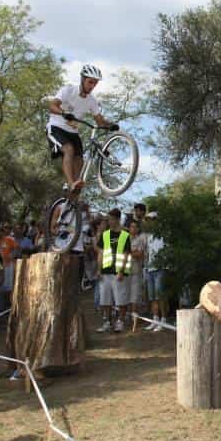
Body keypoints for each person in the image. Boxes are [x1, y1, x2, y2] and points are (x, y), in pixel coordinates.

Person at [46, 64, 118, 192]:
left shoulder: (91, 100)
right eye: (90, 82)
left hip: (73, 132)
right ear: (82, 79)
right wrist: (63, 113)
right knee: (68, 150)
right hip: (56, 127)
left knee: (79, 160)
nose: (92, 86)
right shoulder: (69, 90)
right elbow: (52, 105)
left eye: (95, 84)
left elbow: (100, 121)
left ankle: (73, 193)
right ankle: (70, 183)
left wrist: (110, 125)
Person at [96, 209, 132, 333]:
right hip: (105, 272)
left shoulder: (125, 235)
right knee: (105, 299)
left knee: (121, 299)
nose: (109, 222)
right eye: (108, 219)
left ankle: (120, 322)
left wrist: (121, 271)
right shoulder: (105, 235)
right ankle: (107, 321)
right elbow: (100, 253)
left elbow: (126, 254)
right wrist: (99, 269)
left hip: (119, 273)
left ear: (117, 219)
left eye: (111, 219)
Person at [143, 219, 167, 332]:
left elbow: (167, 252)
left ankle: (163, 319)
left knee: (160, 296)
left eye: (153, 220)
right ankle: (155, 319)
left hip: (160, 269)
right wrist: (146, 267)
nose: (150, 222)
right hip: (150, 269)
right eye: (149, 220)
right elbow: (148, 253)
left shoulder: (164, 235)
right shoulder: (149, 237)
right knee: (152, 296)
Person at [128, 220, 147, 320]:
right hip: (126, 271)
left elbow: (139, 254)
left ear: (138, 229)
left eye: (135, 227)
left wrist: (128, 252)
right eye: (131, 226)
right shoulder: (125, 239)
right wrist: (132, 252)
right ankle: (130, 315)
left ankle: (134, 318)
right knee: (127, 295)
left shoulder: (140, 240)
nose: (133, 228)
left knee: (135, 295)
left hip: (136, 270)